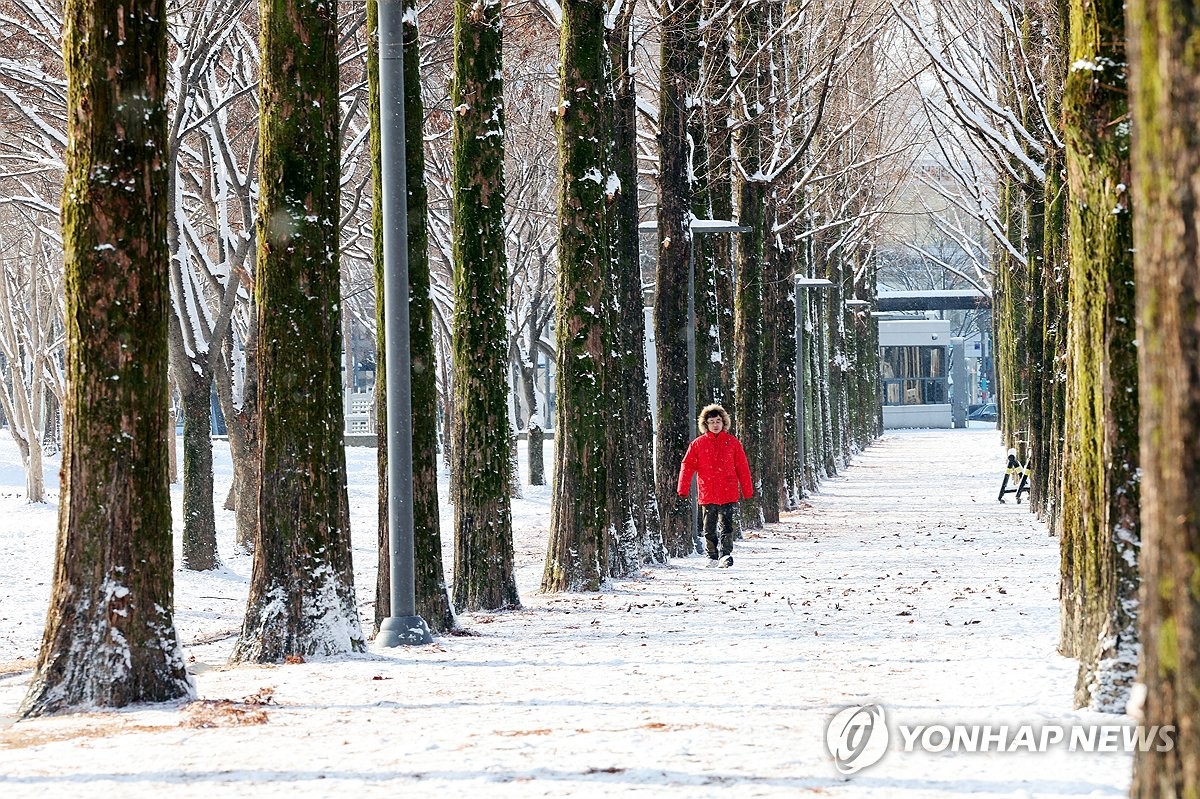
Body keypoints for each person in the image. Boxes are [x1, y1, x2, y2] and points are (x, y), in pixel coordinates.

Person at [676, 403, 754, 568]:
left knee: (727, 526)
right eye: (712, 422)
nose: (715, 424)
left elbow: (742, 467)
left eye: (718, 421)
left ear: (723, 422)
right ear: (706, 424)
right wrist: (682, 488)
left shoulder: (733, 443)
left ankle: (725, 555)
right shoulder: (698, 444)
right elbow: (687, 465)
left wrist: (747, 490)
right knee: (708, 527)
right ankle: (711, 555)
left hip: (728, 491)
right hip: (708, 492)